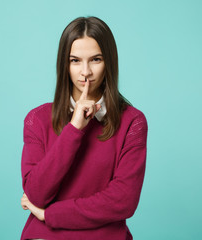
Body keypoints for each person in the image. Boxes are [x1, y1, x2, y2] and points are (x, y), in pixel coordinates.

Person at [20, 16, 148, 240]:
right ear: (64, 64)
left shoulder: (132, 122)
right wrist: (75, 128)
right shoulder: (37, 119)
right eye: (75, 60)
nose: (85, 72)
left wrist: (50, 214)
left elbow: (123, 201)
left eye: (96, 59)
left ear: (109, 62)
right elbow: (37, 193)